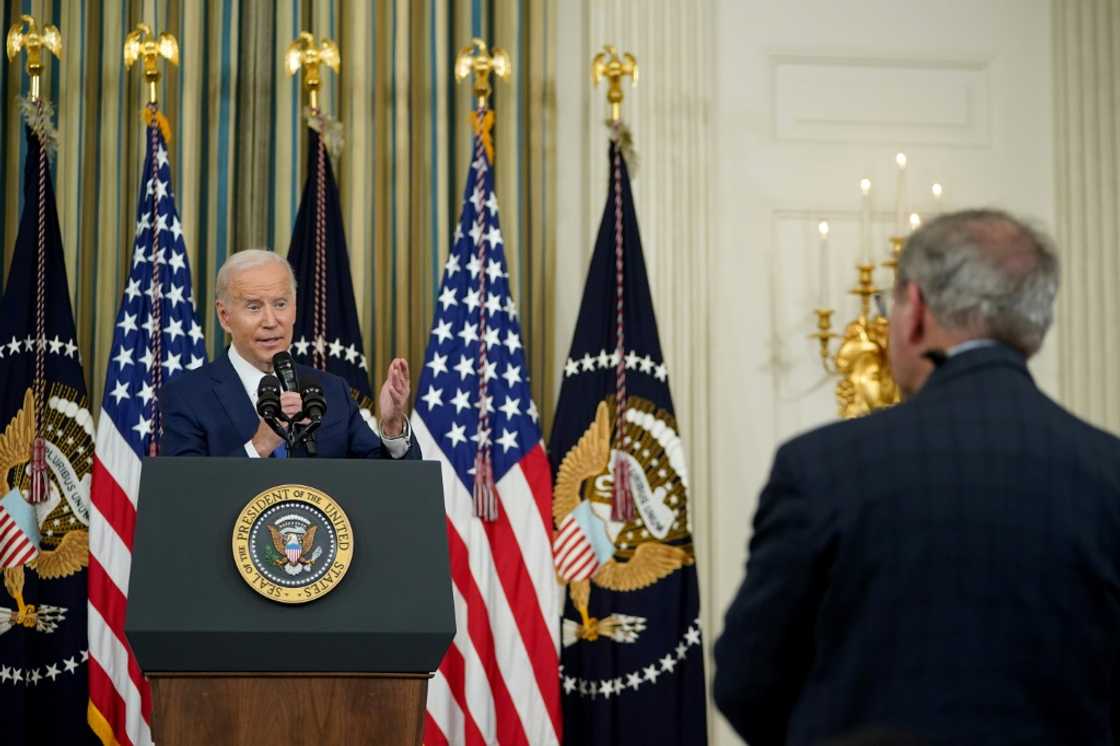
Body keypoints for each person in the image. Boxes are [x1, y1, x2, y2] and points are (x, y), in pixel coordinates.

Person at [713, 210, 1120, 745]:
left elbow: (747, 680)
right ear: (1033, 328)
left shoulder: (820, 467)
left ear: (915, 312)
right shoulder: (1108, 472)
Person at [159, 249, 421, 460]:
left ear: (294, 310)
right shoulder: (187, 396)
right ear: (224, 316)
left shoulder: (331, 390)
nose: (271, 321)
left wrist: (392, 425)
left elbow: (384, 485)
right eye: (254, 307)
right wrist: (258, 447)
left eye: (280, 304)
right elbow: (184, 496)